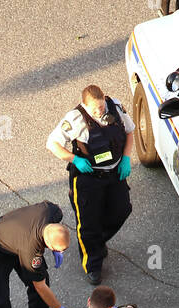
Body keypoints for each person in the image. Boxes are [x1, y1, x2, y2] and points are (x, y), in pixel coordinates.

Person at [46, 84, 134, 285]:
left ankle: (96, 241)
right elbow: (52, 144)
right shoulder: (75, 119)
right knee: (88, 223)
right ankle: (92, 265)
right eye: (95, 109)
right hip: (88, 178)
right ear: (85, 106)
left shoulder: (115, 107)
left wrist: (127, 158)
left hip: (114, 172)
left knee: (122, 209)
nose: (100, 112)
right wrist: (73, 159)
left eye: (101, 106)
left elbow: (129, 132)